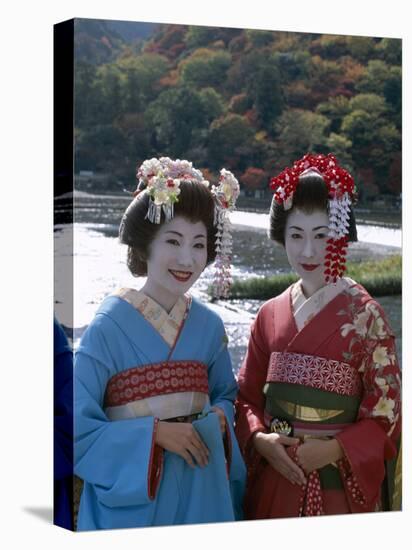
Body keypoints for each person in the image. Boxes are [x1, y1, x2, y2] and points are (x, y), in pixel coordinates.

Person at [74, 157, 246, 530]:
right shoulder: (108, 326)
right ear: (145, 244)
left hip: (201, 486)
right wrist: (155, 436)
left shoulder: (209, 326)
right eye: (173, 240)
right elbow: (77, 425)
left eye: (199, 244)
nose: (187, 258)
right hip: (135, 503)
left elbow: (227, 395)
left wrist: (219, 417)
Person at [235, 153, 401, 518]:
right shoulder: (268, 314)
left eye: (321, 235)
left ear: (341, 235)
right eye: (296, 235)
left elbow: (386, 412)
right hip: (276, 478)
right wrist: (260, 440)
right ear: (281, 236)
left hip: (337, 485)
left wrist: (334, 449)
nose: (308, 251)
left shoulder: (366, 315)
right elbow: (246, 398)